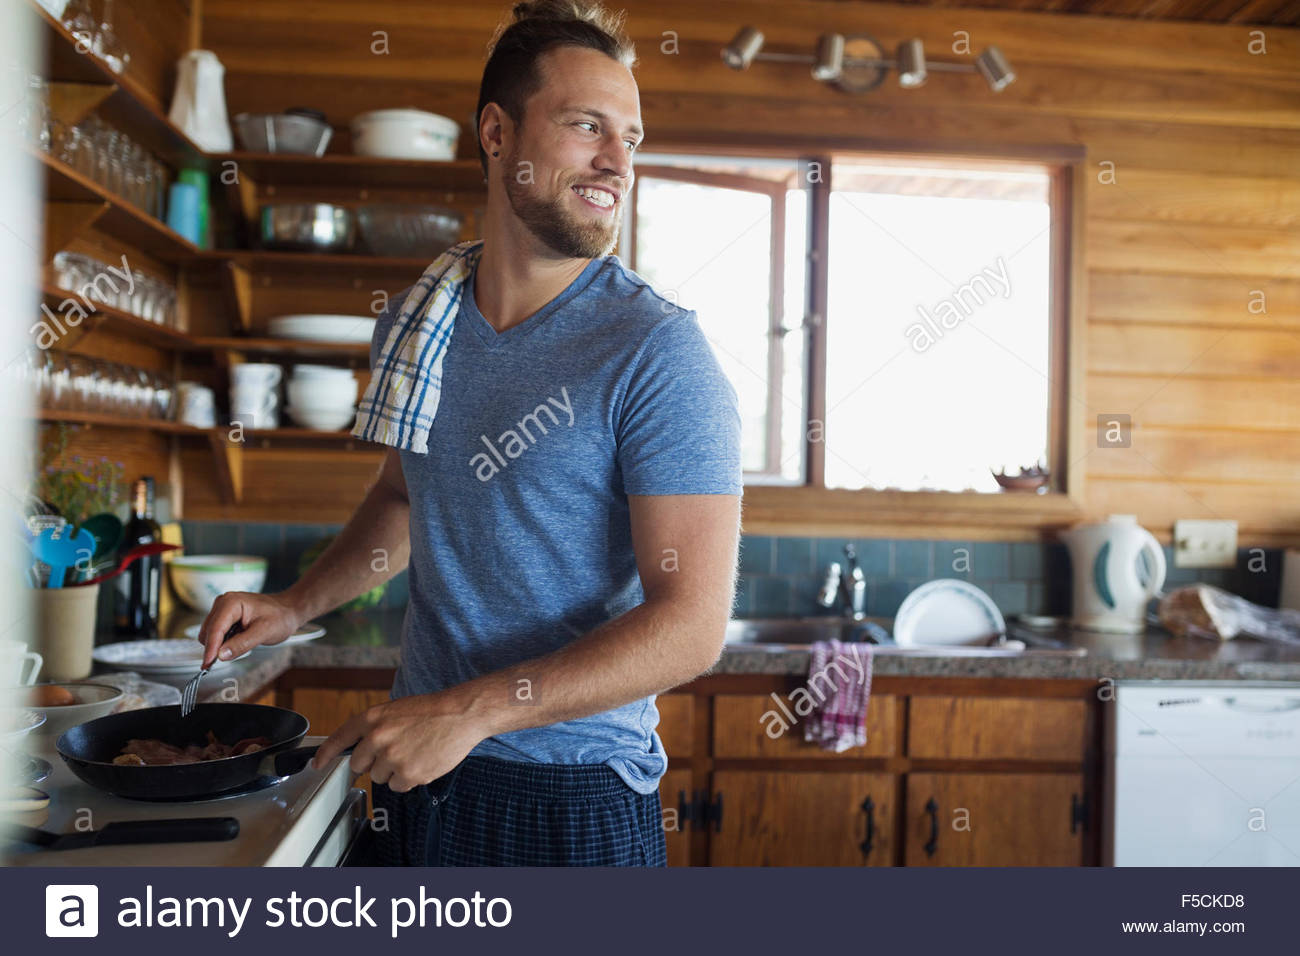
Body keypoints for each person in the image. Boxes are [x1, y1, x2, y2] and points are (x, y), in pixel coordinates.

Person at [196, 0, 741, 866]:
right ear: (497, 132)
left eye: (631, 138)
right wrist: (296, 605)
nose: (617, 161)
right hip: (415, 770)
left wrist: (473, 711)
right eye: (587, 125)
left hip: (569, 798)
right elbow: (405, 495)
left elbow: (692, 625)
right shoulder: (422, 323)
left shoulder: (656, 351)